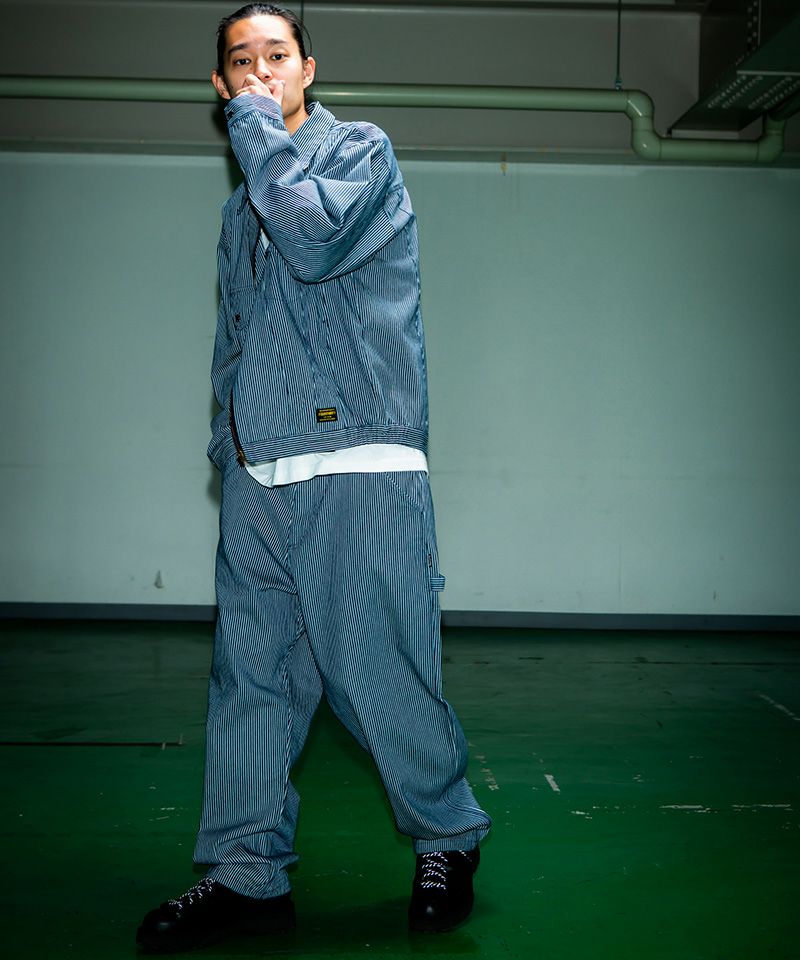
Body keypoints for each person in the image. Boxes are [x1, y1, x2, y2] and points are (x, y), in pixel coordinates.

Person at [136, 4, 491, 952]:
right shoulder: (235, 211)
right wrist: (230, 449)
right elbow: (234, 340)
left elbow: (313, 238)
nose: (258, 74)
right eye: (239, 64)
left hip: (359, 465)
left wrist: (257, 129)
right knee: (249, 685)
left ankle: (448, 835)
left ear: (308, 68)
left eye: (275, 57)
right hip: (263, 479)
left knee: (378, 672)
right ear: (218, 84)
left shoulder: (359, 154)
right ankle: (245, 872)